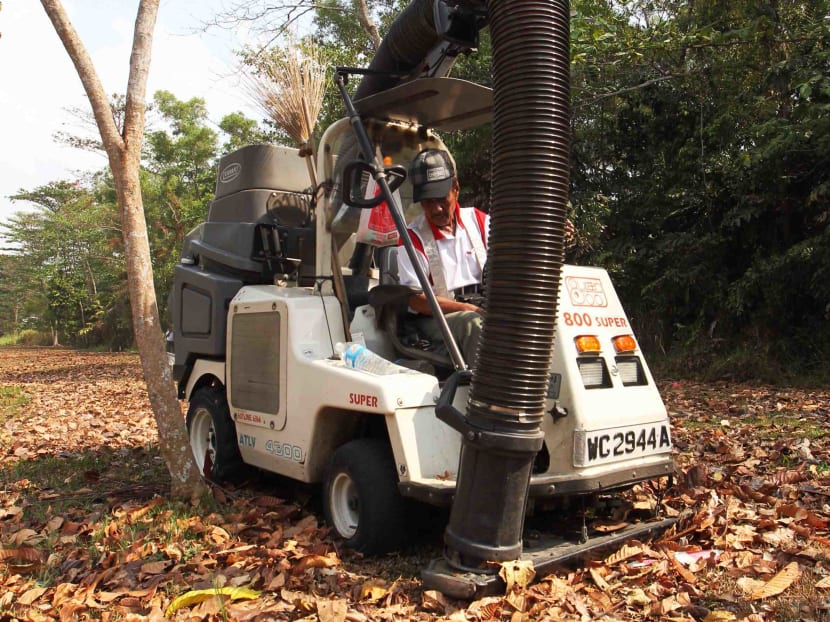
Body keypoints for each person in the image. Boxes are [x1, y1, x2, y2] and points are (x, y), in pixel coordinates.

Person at [396, 148, 490, 368]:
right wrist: (467, 308)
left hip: (480, 305)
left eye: (441, 199)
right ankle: (485, 388)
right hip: (435, 319)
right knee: (474, 324)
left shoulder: (479, 221)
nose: (437, 208)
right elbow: (416, 300)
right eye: (428, 202)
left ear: (455, 188)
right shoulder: (412, 238)